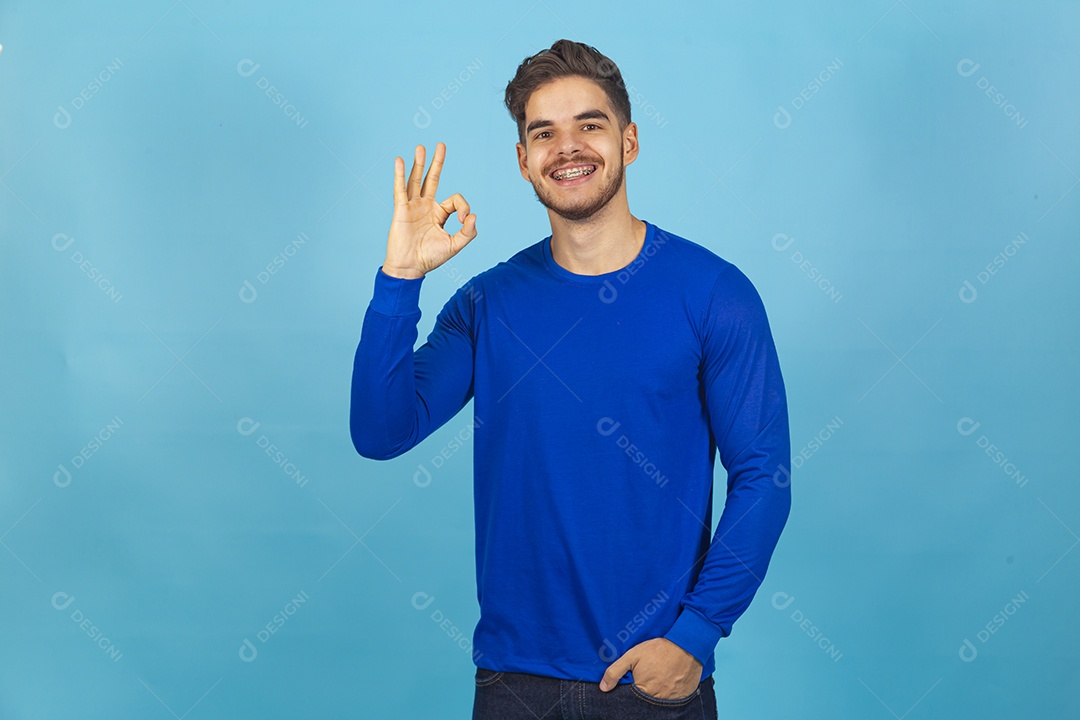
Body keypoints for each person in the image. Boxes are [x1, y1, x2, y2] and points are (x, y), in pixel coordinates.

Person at [350, 38, 791, 720]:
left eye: (590, 124)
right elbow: (381, 432)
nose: (568, 147)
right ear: (524, 161)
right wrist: (399, 281)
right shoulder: (487, 303)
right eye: (544, 133)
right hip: (512, 686)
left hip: (655, 682)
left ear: (630, 140)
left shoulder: (714, 294)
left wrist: (695, 638)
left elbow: (765, 476)